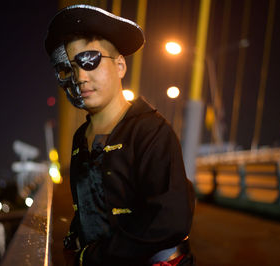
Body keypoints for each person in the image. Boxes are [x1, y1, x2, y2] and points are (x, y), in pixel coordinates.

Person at [45, 4, 195, 266]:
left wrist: (91, 257)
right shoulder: (80, 138)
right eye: (67, 69)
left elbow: (169, 221)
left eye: (90, 61)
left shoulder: (151, 131)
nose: (80, 77)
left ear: (121, 66)